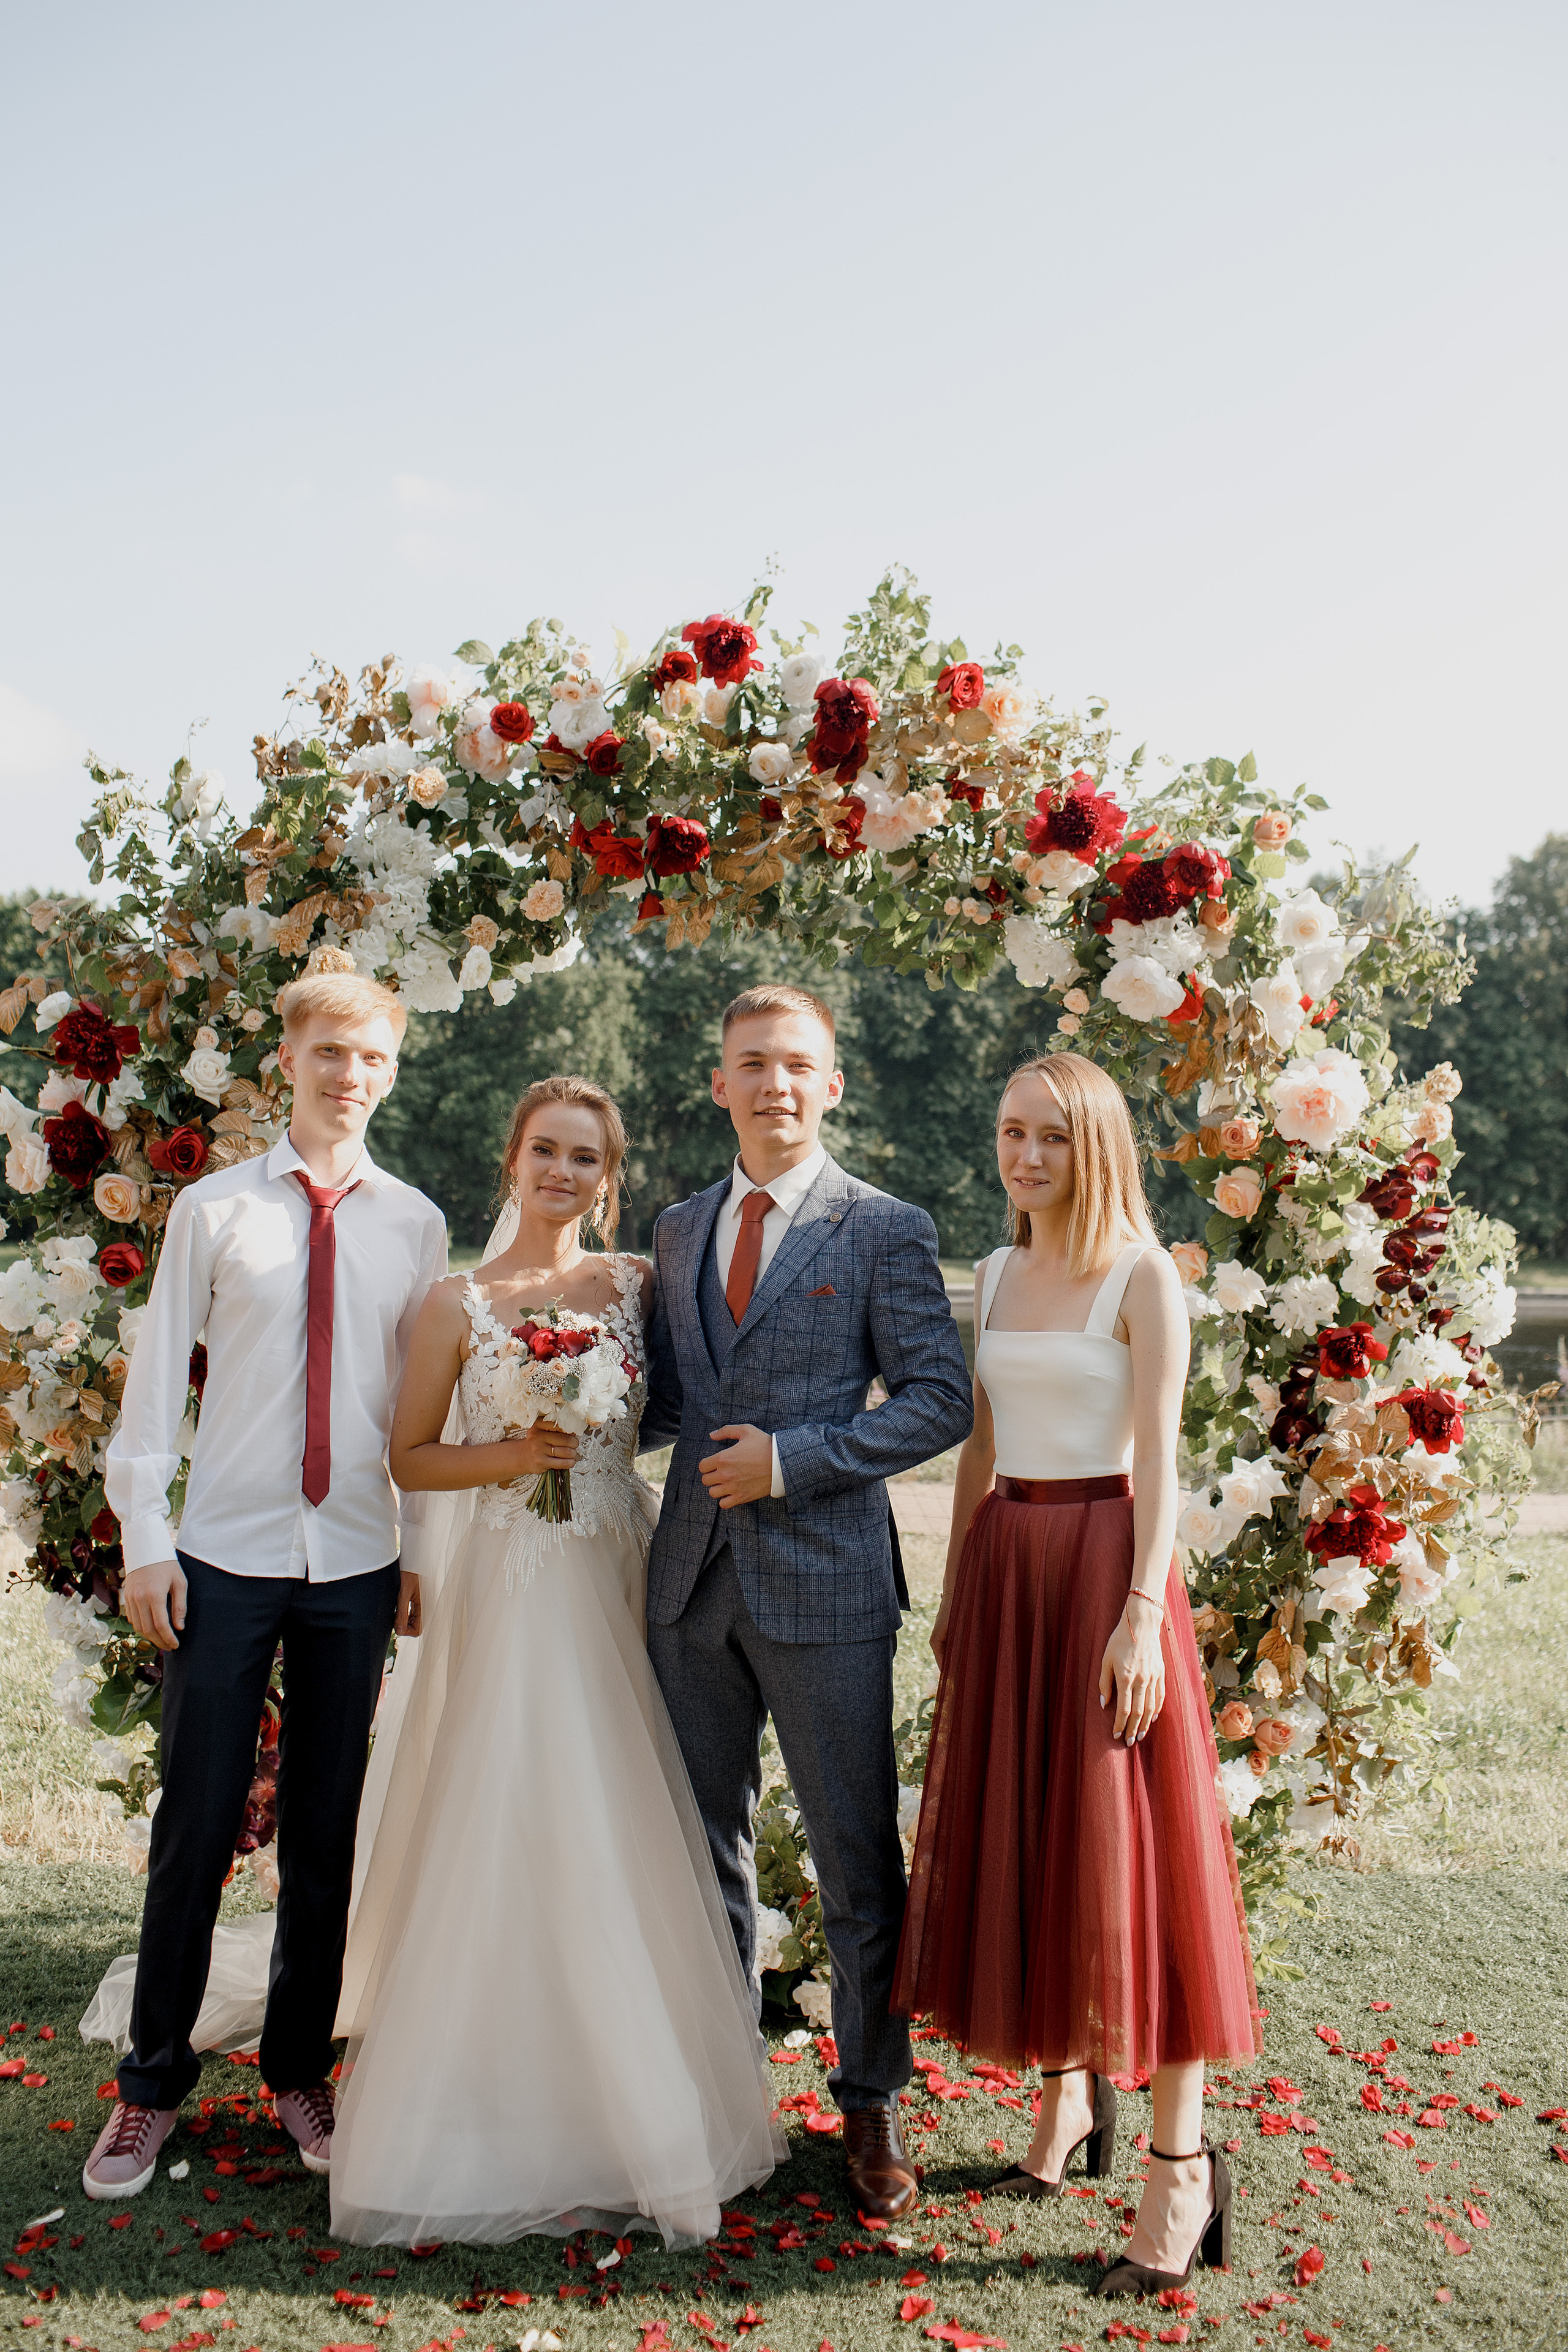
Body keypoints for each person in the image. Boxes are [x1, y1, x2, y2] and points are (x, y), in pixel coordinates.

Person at [325, 1076, 782, 2248]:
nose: (562, 1172)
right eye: (545, 1150)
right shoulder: (455, 1304)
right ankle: (494, 2080)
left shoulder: (636, 1287)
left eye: (586, 1157)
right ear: (512, 1159)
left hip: (619, 1571)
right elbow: (411, 1461)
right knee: (522, 1799)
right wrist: (516, 1452)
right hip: (517, 1585)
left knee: (626, 1809)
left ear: (608, 1177)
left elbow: (688, 1400)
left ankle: (637, 2077)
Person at [892, 1052, 1262, 2297]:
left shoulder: (1143, 1277)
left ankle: (1180, 2172)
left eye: (1049, 1135)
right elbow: (979, 1446)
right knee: (1033, 1841)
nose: (1024, 1155)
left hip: (1108, 1567)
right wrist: (955, 1593)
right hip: (1009, 1568)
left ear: (1094, 1143)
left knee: (1131, 1868)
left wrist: (1139, 1613)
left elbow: (1158, 1461)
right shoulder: (993, 1271)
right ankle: (1061, 2110)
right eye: (1008, 1133)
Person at [85, 967, 447, 2199]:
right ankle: (148, 2088)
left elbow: (422, 1403)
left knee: (326, 1834)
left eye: (373, 1060)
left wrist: (418, 1553)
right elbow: (149, 1393)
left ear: (391, 1073)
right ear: (288, 1061)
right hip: (225, 1559)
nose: (349, 1078)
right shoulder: (212, 1211)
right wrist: (145, 1538)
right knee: (192, 1830)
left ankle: (299, 2070)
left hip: (353, 1560)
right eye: (329, 1055)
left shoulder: (414, 1221)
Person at [640, 984, 973, 2222]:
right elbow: (667, 1402)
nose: (773, 1083)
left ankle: (870, 2102)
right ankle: (723, 2090)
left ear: (832, 1084)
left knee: (850, 1855)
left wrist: (790, 1461)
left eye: (796, 1065)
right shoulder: (675, 1230)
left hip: (826, 1584)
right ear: (717, 1082)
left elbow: (938, 1401)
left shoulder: (883, 1226)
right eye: (750, 1064)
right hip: (684, 1588)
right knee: (696, 1849)